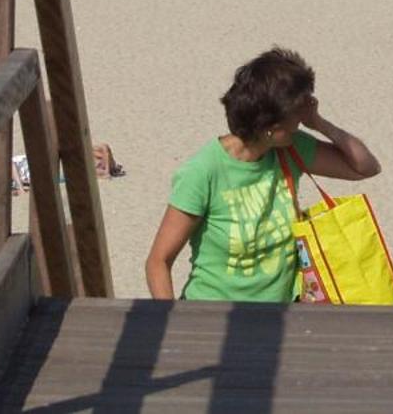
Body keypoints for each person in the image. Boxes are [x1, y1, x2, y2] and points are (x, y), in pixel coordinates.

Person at [144, 48, 380, 300]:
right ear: (271, 127)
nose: (300, 120)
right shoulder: (203, 172)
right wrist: (175, 327)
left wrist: (319, 122)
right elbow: (158, 261)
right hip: (216, 317)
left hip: (282, 315)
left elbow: (365, 167)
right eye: (297, 113)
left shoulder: (289, 148)